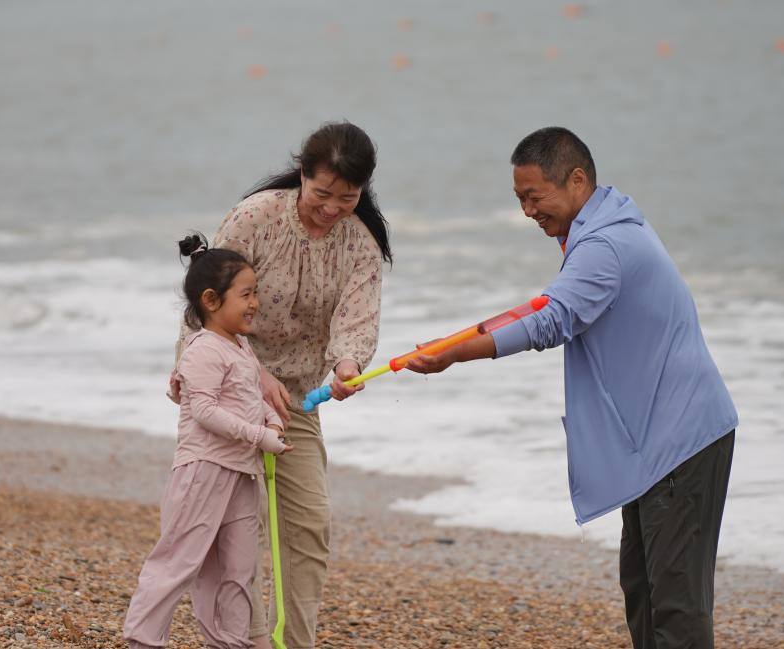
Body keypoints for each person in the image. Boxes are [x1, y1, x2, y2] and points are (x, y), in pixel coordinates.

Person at [406, 127, 738, 649]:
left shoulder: (605, 242)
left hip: (680, 439)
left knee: (675, 601)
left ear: (577, 180)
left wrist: (454, 352)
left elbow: (551, 319)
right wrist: (464, 340)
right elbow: (548, 308)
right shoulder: (605, 224)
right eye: (519, 199)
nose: (527, 211)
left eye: (533, 196)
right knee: (643, 588)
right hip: (655, 442)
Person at [170, 121, 390, 649]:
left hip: (294, 403)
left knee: (309, 526)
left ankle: (295, 643)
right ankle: (237, 641)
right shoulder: (256, 217)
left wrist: (346, 365)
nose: (333, 207)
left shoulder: (359, 245)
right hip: (224, 389)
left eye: (348, 197)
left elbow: (355, 324)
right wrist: (253, 373)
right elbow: (208, 305)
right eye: (322, 194)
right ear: (302, 177)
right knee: (234, 532)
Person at [125, 233, 293, 649]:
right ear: (211, 301)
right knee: (180, 560)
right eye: (247, 294)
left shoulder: (242, 348)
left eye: (256, 293)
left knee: (238, 567)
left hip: (242, 473)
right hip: (203, 469)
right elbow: (204, 412)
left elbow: (254, 397)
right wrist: (259, 435)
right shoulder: (202, 350)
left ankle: (229, 641)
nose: (255, 303)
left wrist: (272, 424)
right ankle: (142, 640)